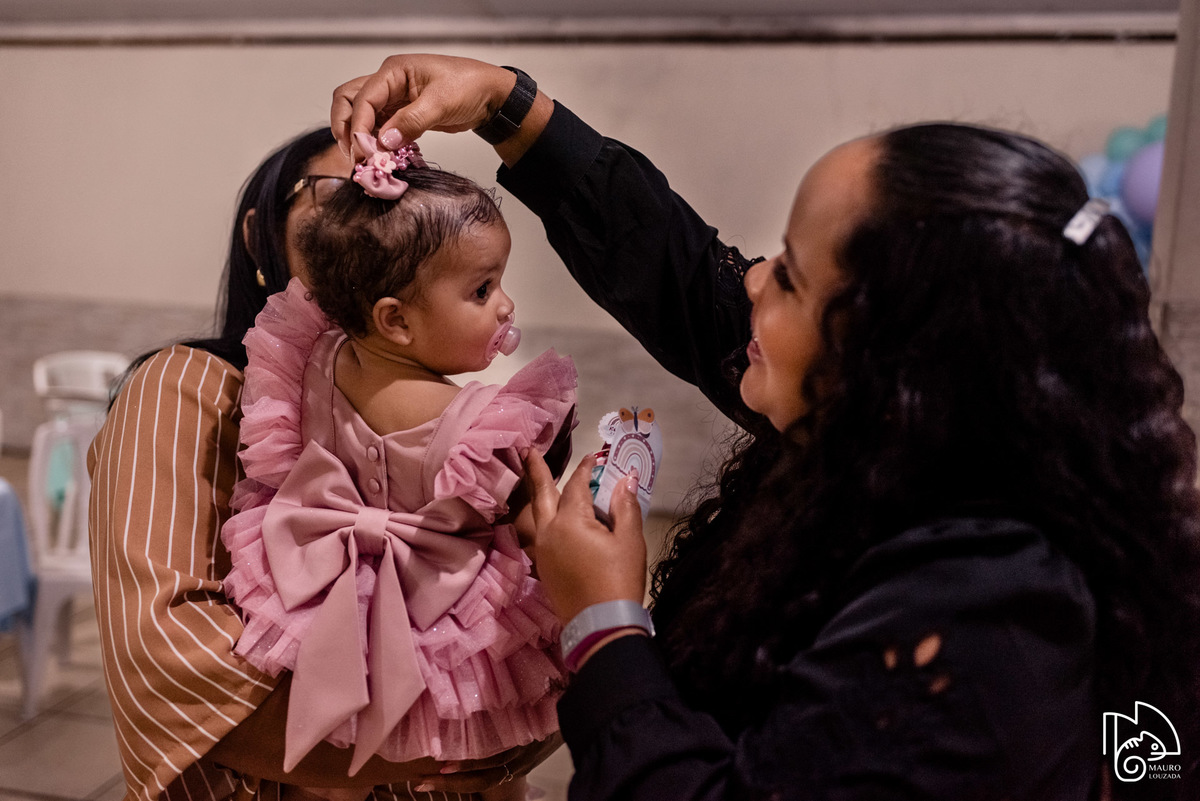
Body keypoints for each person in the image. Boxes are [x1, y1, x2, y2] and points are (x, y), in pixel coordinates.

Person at [329, 54, 1200, 799]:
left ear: (889, 357)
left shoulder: (983, 608)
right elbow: (691, 282)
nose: (749, 282)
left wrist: (603, 622)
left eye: (788, 277)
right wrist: (505, 103)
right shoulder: (903, 439)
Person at [88, 125, 559, 801]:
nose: (379, 225)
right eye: (345, 195)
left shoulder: (448, 412)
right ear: (261, 237)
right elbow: (169, 657)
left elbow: (516, 636)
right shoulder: (190, 387)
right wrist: (442, 752)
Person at [219, 133, 576, 801]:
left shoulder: (310, 358)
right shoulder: (482, 422)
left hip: (327, 590)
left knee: (337, 753)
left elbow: (277, 456)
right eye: (481, 288)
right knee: (480, 761)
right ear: (396, 320)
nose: (506, 305)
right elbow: (536, 527)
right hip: (444, 615)